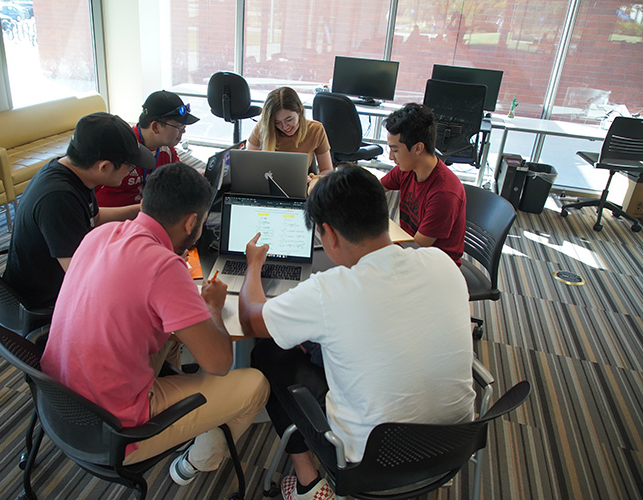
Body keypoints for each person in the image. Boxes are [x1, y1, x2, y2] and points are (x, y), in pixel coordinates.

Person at [239, 165, 475, 500]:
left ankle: (308, 485)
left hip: (370, 458)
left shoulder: (330, 290)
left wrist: (253, 265)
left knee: (269, 351)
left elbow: (251, 319)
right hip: (455, 442)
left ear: (329, 234)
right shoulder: (441, 263)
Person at [41, 162, 269, 487]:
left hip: (60, 401)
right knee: (256, 384)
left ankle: (185, 404)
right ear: (192, 222)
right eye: (202, 223)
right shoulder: (164, 266)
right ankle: (195, 461)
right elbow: (219, 363)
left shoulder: (100, 234)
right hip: (115, 431)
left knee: (174, 335)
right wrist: (213, 308)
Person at [2, 112, 154, 308]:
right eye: (130, 166)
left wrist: (140, 210)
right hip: (45, 298)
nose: (131, 171)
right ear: (104, 167)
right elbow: (82, 276)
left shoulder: (72, 171)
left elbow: (95, 218)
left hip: (62, 275)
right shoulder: (57, 198)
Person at [379, 103, 466, 265]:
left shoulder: (444, 193)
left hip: (436, 267)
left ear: (418, 148)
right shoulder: (407, 169)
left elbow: (417, 246)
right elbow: (374, 189)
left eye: (395, 150)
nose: (391, 157)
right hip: (410, 250)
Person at [95, 90, 199, 207]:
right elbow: (90, 209)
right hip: (112, 223)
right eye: (179, 127)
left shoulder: (167, 151)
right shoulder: (119, 148)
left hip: (146, 217)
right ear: (155, 127)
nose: (184, 131)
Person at [247, 86, 333, 175]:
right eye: (277, 122)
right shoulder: (264, 127)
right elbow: (248, 164)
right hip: (266, 183)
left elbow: (327, 170)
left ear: (300, 110)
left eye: (289, 120)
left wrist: (313, 180)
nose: (285, 127)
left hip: (301, 185)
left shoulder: (315, 130)